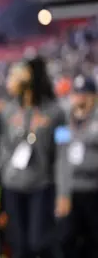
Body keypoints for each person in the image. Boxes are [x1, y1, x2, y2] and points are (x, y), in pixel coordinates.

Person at [0, 56, 66, 258]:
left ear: (33, 75)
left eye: (18, 72)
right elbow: (4, 152)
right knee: (18, 246)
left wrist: (63, 193)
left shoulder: (56, 112)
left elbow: (62, 155)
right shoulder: (8, 112)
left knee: (40, 242)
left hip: (41, 186)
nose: (13, 78)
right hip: (12, 187)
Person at [56, 74, 98, 258]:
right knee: (67, 240)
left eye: (86, 94)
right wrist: (62, 193)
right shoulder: (65, 120)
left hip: (94, 190)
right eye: (78, 93)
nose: (81, 97)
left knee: (94, 241)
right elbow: (61, 156)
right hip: (71, 190)